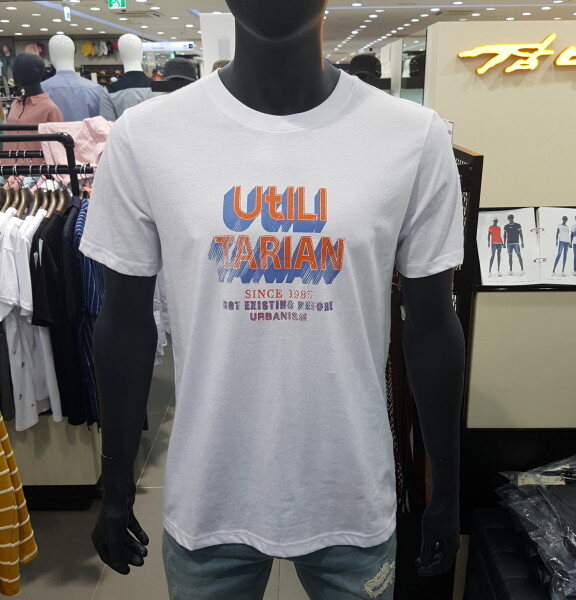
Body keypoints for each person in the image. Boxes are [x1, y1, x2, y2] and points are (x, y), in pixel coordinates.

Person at [83, 2, 465, 597]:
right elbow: (125, 324)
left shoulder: (413, 136)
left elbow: (434, 325)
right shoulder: (147, 136)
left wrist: (448, 489)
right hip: (210, 493)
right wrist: (115, 484)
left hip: (350, 492)